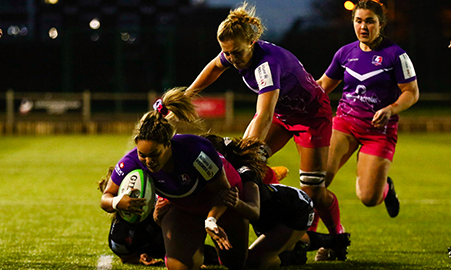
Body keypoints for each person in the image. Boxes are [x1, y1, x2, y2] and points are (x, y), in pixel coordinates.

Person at [185, 1, 345, 247]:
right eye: (226, 52)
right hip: (283, 115)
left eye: (235, 53)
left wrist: (247, 150)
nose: (231, 58)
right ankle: (273, 187)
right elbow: (215, 67)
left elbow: (264, 115)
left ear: (251, 42)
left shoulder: (266, 65)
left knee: (314, 190)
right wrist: (188, 94)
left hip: (311, 118)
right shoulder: (235, 51)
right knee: (243, 166)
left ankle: (336, 235)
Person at [100, 87, 250, 270]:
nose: (148, 161)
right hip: (182, 205)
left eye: (154, 154)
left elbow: (223, 192)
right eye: (142, 154)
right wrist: (117, 202)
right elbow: (105, 197)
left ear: (168, 144)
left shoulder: (196, 151)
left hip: (220, 202)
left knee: (235, 263)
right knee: (179, 267)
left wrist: (211, 220)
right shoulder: (131, 162)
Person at [315, 0, 419, 260]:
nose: (363, 26)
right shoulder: (344, 53)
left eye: (369, 21)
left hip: (378, 131)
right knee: (317, 181)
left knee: (369, 198)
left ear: (380, 24)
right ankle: (327, 239)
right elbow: (322, 87)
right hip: (345, 123)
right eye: (358, 21)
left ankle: (385, 188)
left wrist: (391, 109)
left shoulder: (396, 55)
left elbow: (412, 93)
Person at [202, 134, 351, 267]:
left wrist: (236, 203)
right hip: (272, 213)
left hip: (295, 210)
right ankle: (333, 241)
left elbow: (254, 211)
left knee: (252, 262)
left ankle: (295, 256)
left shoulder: (245, 174)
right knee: (277, 241)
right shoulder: (217, 175)